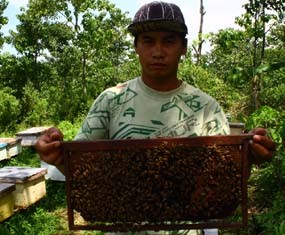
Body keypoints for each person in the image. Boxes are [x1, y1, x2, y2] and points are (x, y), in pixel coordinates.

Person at [35, 1, 276, 235]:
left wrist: (251, 158)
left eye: (168, 41)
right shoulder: (111, 100)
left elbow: (224, 178)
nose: (158, 52)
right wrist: (57, 158)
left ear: (183, 46)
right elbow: (81, 171)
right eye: (148, 41)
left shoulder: (206, 107)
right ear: (136, 47)